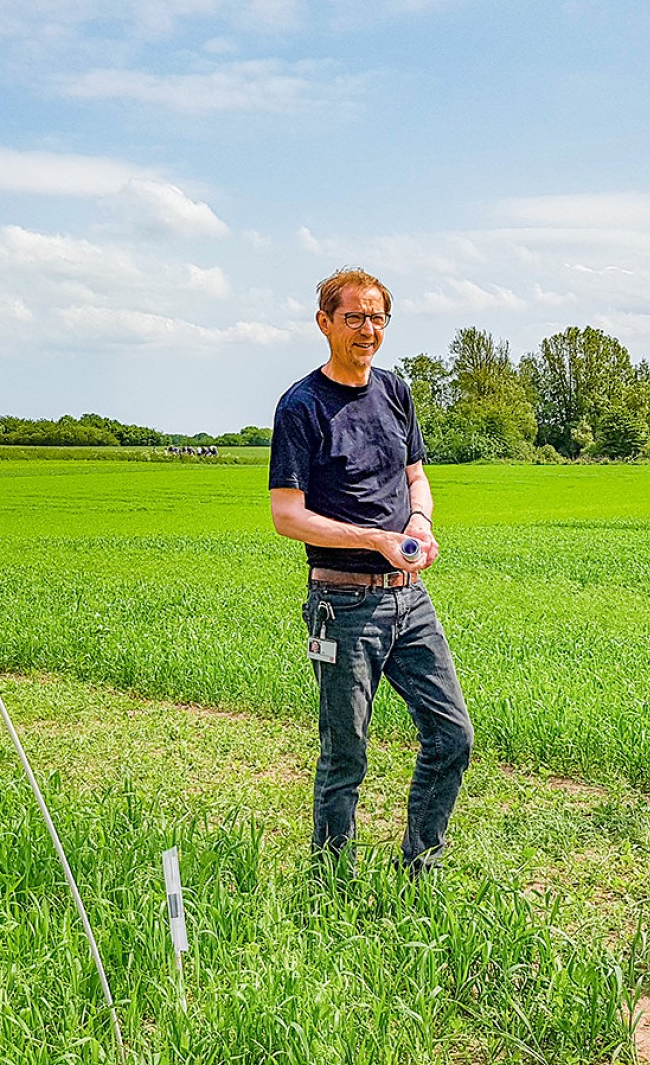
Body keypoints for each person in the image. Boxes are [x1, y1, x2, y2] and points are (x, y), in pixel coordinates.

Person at [269, 267, 473, 876]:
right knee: (345, 752)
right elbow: (287, 515)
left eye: (378, 317)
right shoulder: (302, 405)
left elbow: (416, 476)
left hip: (410, 599)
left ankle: (421, 867)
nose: (368, 329)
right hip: (342, 604)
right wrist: (373, 540)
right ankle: (332, 884)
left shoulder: (395, 391)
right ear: (324, 322)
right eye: (354, 317)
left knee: (452, 735)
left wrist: (419, 525)